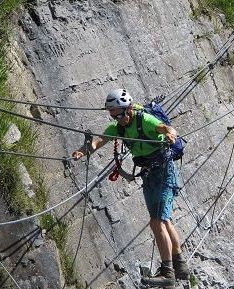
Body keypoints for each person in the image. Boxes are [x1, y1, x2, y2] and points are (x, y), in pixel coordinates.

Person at [71, 89, 188, 287]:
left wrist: (170, 135)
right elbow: (99, 140)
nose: (117, 119)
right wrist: (81, 152)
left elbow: (166, 128)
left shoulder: (145, 120)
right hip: (149, 174)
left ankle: (168, 272)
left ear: (129, 109)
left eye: (118, 114)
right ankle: (180, 266)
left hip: (164, 171)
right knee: (164, 221)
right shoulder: (119, 127)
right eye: (113, 115)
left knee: (156, 222)